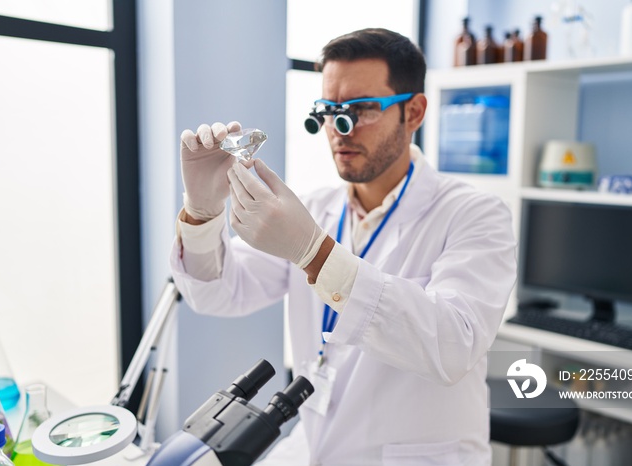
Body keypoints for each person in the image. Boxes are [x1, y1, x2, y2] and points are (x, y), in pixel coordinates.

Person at [170, 28, 517, 465]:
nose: (339, 129)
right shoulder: (315, 209)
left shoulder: (475, 214)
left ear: (414, 111)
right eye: (330, 111)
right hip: (318, 446)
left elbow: (453, 345)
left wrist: (315, 254)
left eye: (363, 109)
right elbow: (219, 293)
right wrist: (202, 212)